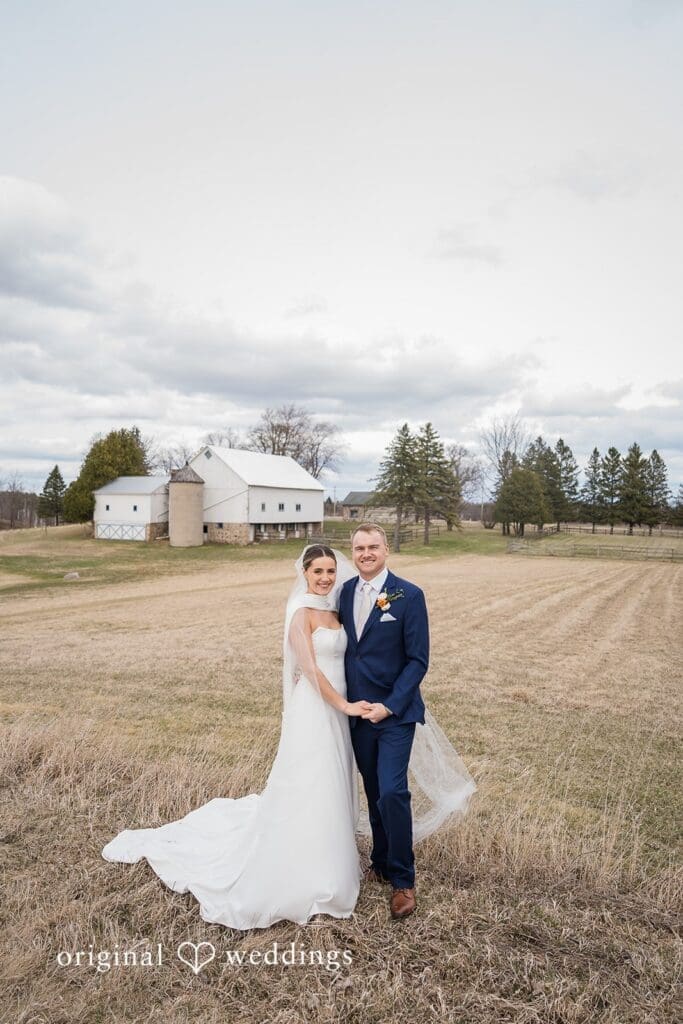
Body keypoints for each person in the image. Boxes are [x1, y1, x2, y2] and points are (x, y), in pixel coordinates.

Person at [102, 544, 369, 930]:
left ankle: (332, 853)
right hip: (317, 709)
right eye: (318, 572)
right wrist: (343, 706)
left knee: (333, 778)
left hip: (340, 708)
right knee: (311, 779)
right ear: (305, 574)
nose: (326, 578)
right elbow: (309, 671)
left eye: (331, 571)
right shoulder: (300, 613)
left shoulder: (336, 610)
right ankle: (305, 867)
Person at [339, 522, 471, 920]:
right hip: (357, 712)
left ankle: (402, 880)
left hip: (395, 713)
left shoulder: (408, 595)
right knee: (375, 789)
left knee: (394, 792)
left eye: (373, 546)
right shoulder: (344, 592)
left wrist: (390, 706)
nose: (366, 553)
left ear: (386, 549)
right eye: (359, 547)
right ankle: (380, 861)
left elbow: (418, 660)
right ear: (353, 552)